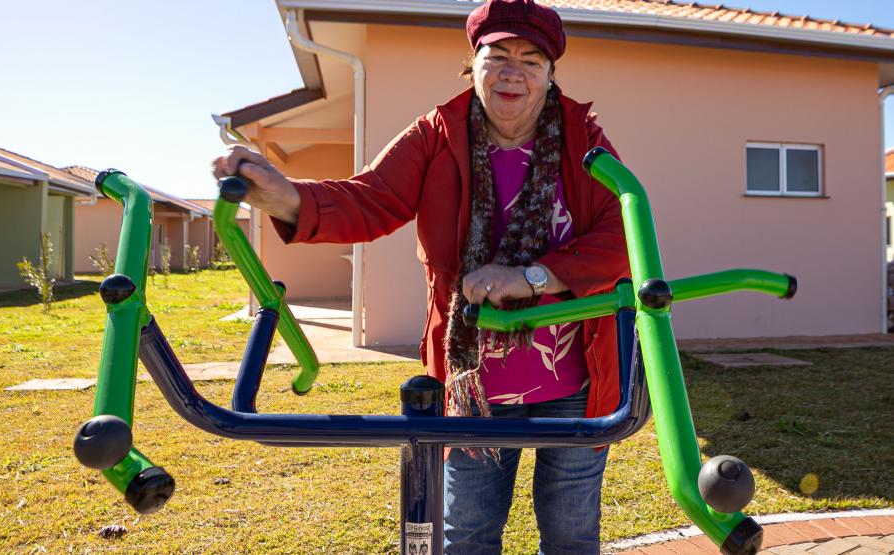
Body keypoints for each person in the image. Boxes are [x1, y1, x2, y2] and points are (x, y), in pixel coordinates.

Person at [213, 1, 629, 552]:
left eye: (532, 60)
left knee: (572, 534)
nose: (513, 72)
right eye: (497, 55)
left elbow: (622, 235)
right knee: (468, 534)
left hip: (575, 383)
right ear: (472, 63)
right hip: (473, 381)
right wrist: (289, 196)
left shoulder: (584, 138)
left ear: (551, 74)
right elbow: (371, 198)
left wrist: (533, 276)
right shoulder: (437, 134)